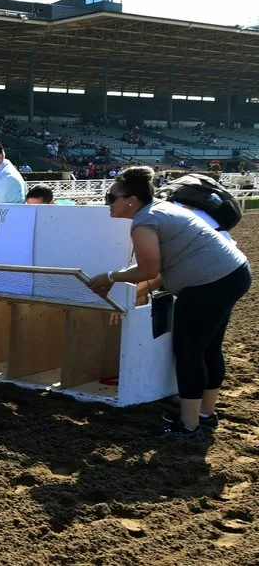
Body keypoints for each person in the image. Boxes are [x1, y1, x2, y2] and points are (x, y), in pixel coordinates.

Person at [87, 166, 251, 438]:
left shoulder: (143, 222)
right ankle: (205, 415)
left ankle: (188, 426)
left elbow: (149, 270)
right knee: (209, 348)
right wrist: (134, 288)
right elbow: (159, 270)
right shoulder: (159, 210)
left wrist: (110, 276)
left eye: (111, 197)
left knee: (189, 351)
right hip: (232, 274)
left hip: (208, 284)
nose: (107, 203)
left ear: (131, 199)